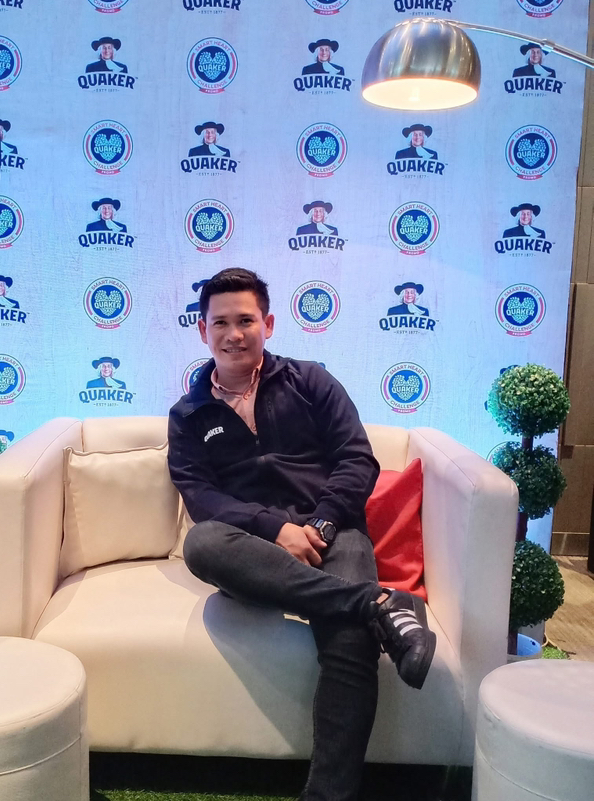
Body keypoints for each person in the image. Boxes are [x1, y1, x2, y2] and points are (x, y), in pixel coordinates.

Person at [167, 268, 436, 801]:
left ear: (267, 324)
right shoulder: (188, 414)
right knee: (202, 543)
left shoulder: (311, 381)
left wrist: (320, 523)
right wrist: (276, 530)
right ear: (202, 331)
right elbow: (202, 499)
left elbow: (357, 459)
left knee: (350, 639)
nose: (234, 333)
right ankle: (380, 602)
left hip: (336, 532)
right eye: (220, 322)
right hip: (256, 550)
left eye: (246, 320)